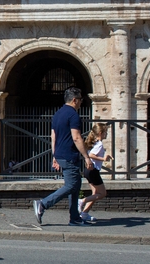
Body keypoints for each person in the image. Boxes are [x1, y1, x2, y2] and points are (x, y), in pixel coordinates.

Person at [32, 87, 94, 226]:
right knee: (71, 185)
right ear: (74, 100)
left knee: (75, 186)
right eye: (80, 100)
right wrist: (86, 157)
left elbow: (53, 136)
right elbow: (77, 138)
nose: (81, 103)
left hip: (60, 154)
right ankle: (43, 204)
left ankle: (75, 218)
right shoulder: (73, 115)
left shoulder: (58, 114)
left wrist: (55, 155)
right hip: (69, 155)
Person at [78, 123, 112, 222]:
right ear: (101, 133)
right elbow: (92, 155)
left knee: (95, 193)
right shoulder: (99, 144)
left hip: (88, 171)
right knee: (102, 193)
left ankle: (84, 214)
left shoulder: (94, 143)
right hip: (93, 171)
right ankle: (82, 201)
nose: (107, 134)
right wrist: (103, 158)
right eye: (106, 132)